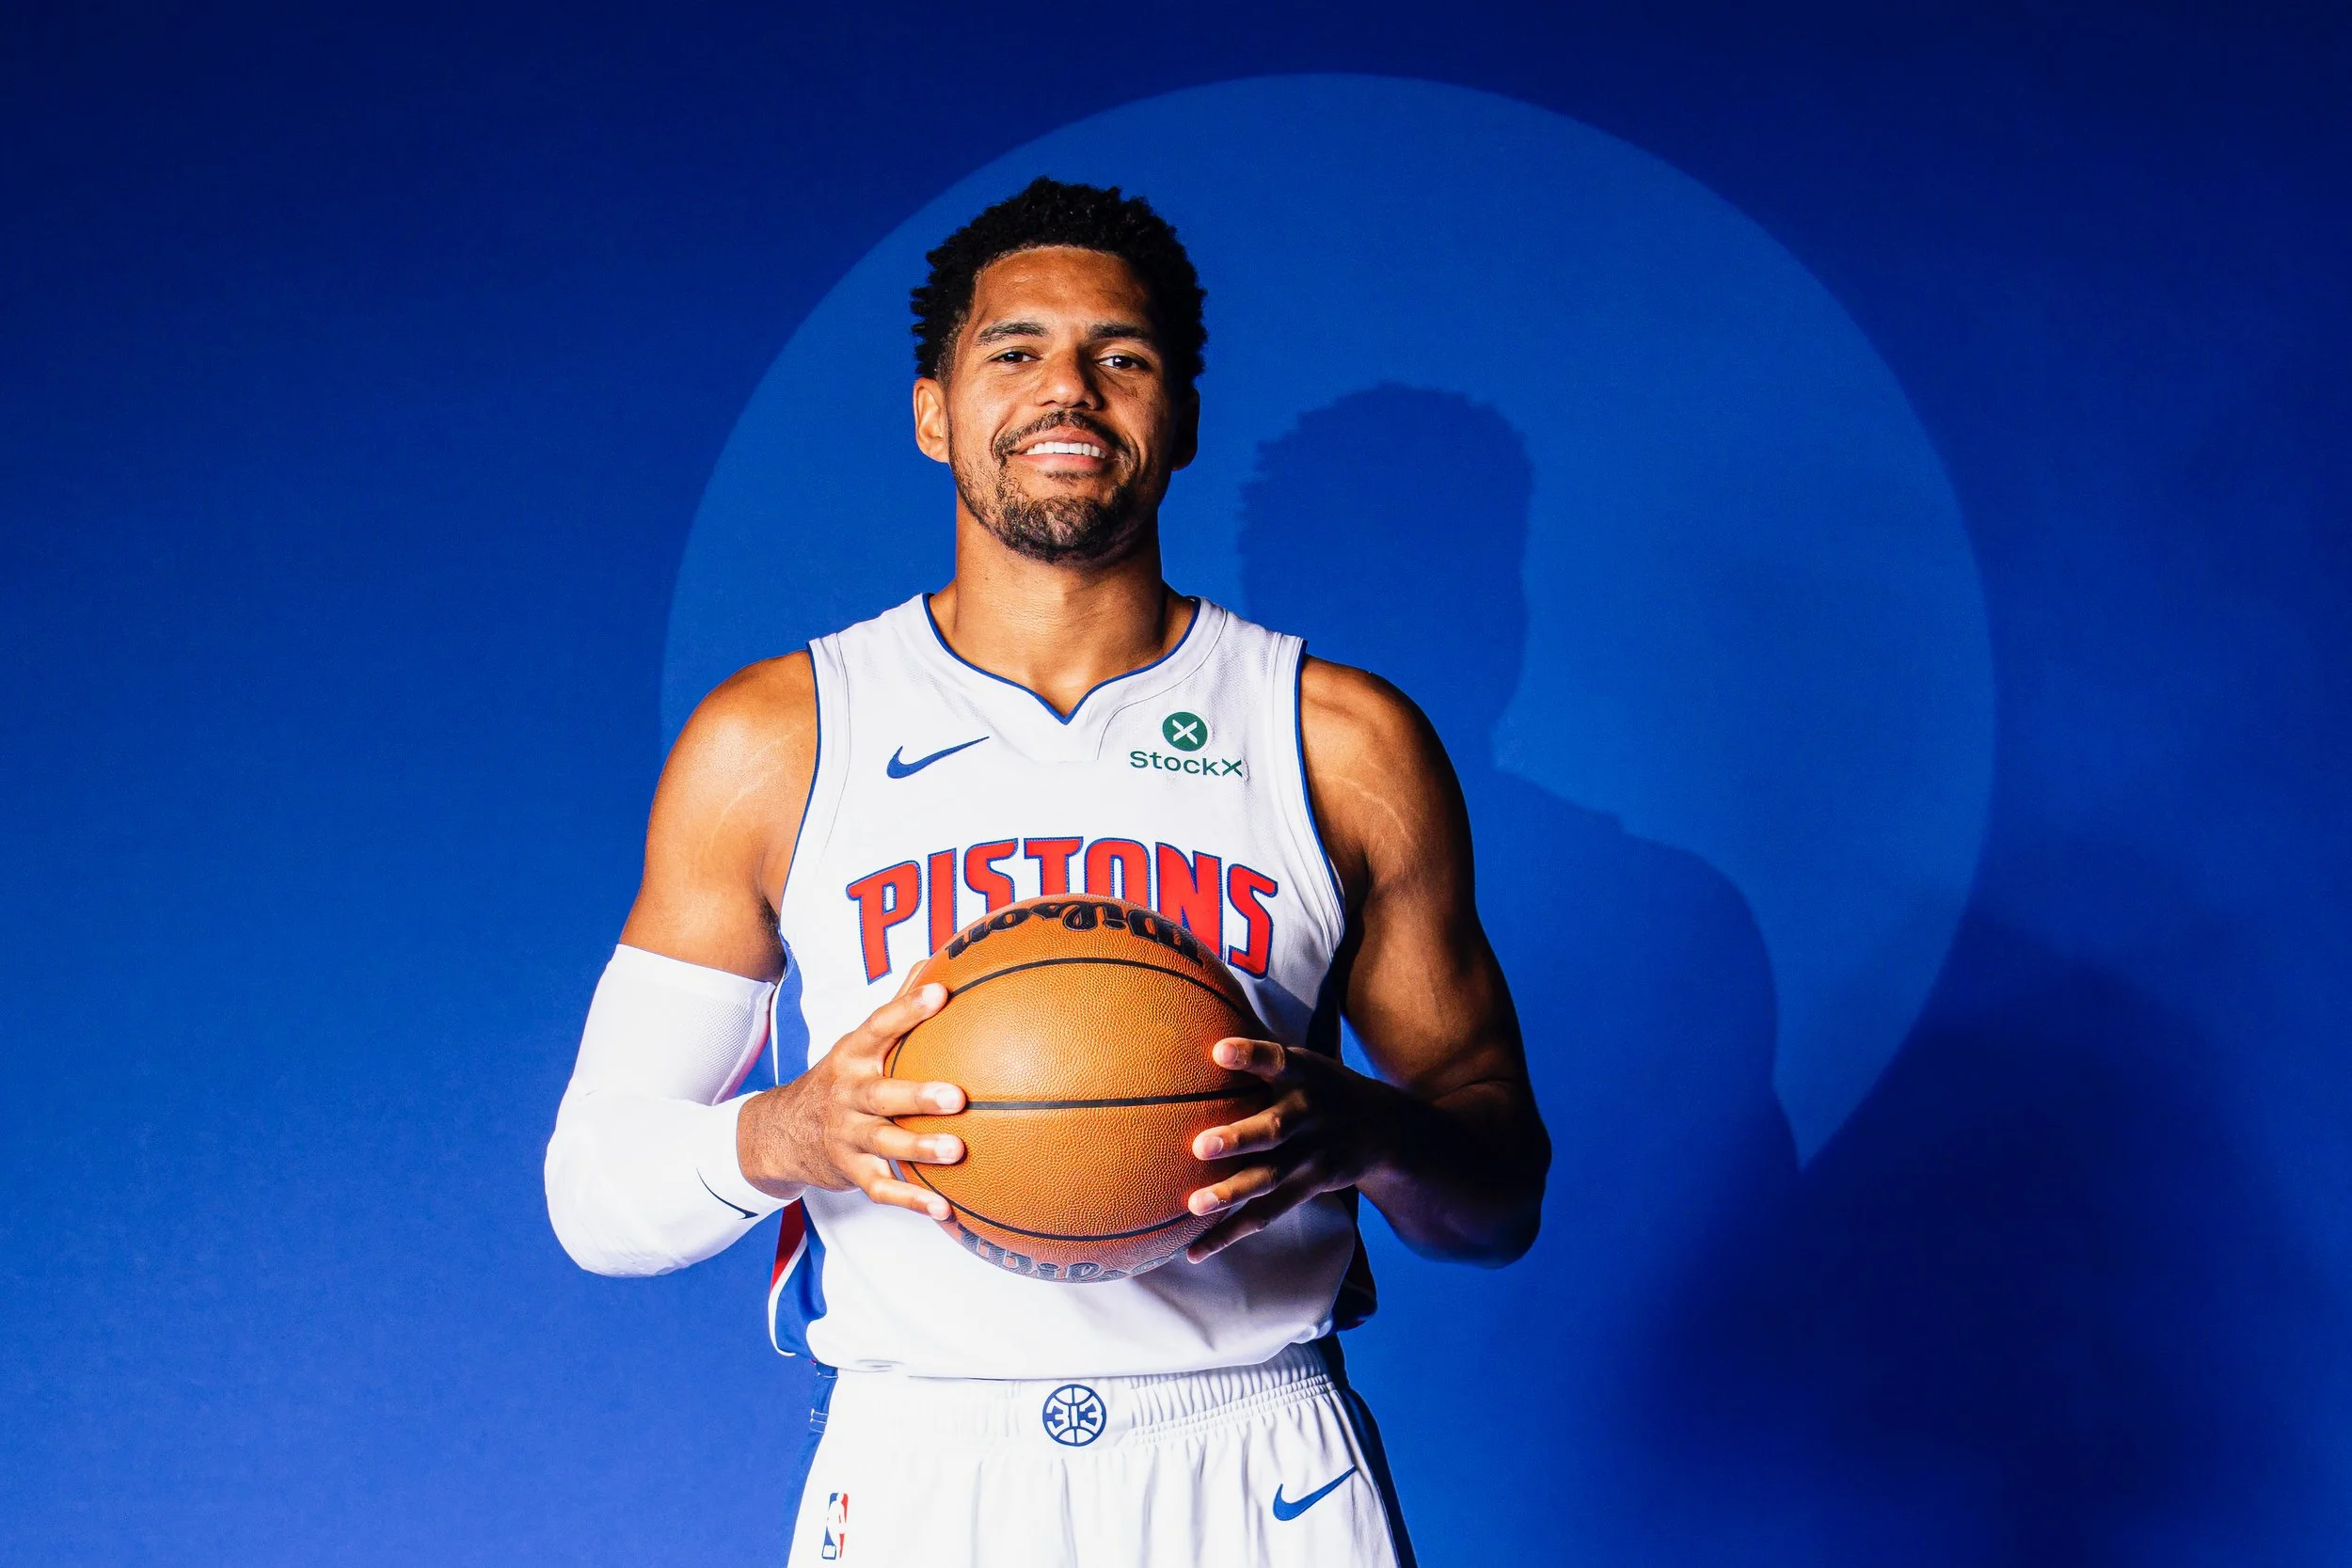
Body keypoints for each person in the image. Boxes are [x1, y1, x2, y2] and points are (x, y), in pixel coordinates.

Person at [545, 178, 1550, 1568]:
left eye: (1119, 355)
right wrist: (788, 1134)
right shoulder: (777, 739)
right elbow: (595, 1194)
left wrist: (1366, 1131)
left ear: (1180, 418)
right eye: (1014, 350)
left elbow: (1501, 1198)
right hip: (923, 1466)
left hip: (1259, 1461)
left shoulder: (1340, 742)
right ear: (934, 410)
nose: (1067, 389)